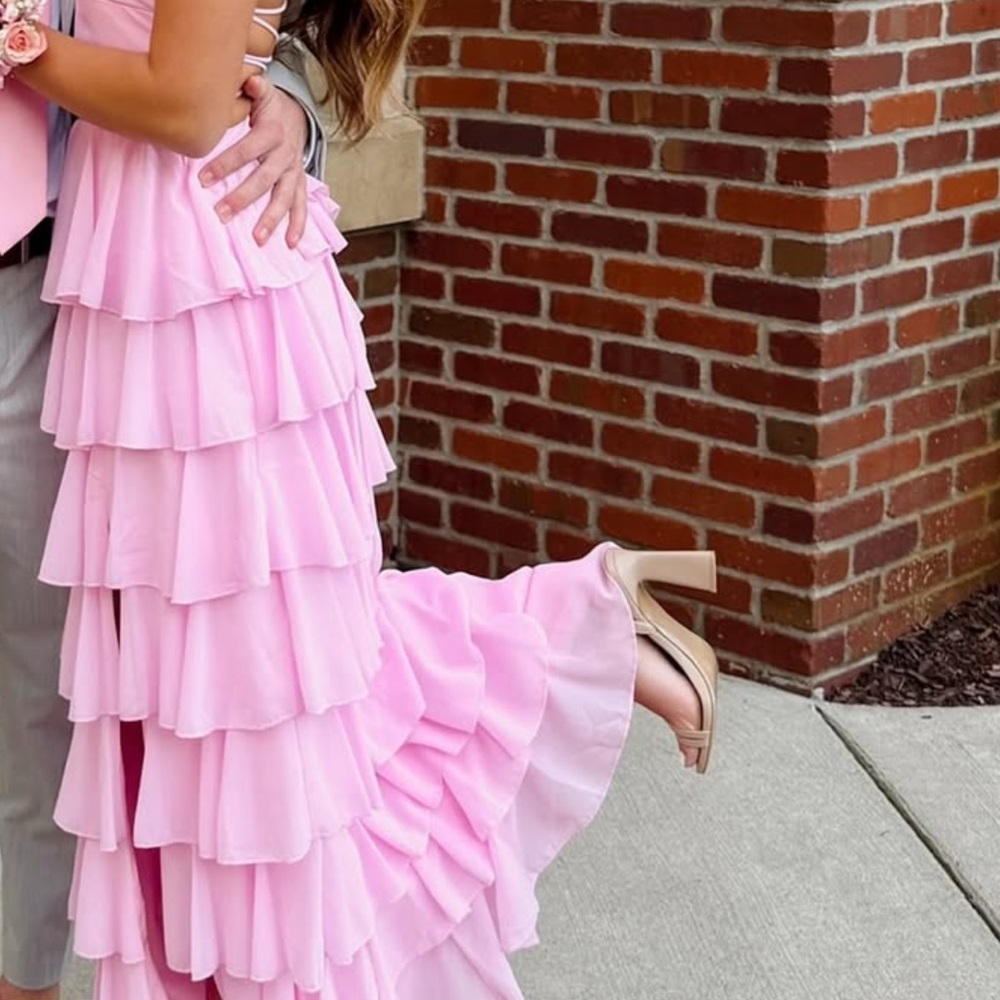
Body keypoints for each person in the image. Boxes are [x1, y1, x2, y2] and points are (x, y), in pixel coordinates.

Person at [4, 0, 721, 996]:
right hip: (159, 291)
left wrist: (16, 44)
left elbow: (179, 100)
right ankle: (585, 622)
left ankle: (580, 627)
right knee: (233, 685)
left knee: (243, 695)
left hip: (195, 307)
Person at [0, 2, 325, 997]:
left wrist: (293, 114)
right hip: (94, 296)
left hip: (72, 299)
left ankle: (20, 975)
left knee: (45, 693)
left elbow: (229, 55)